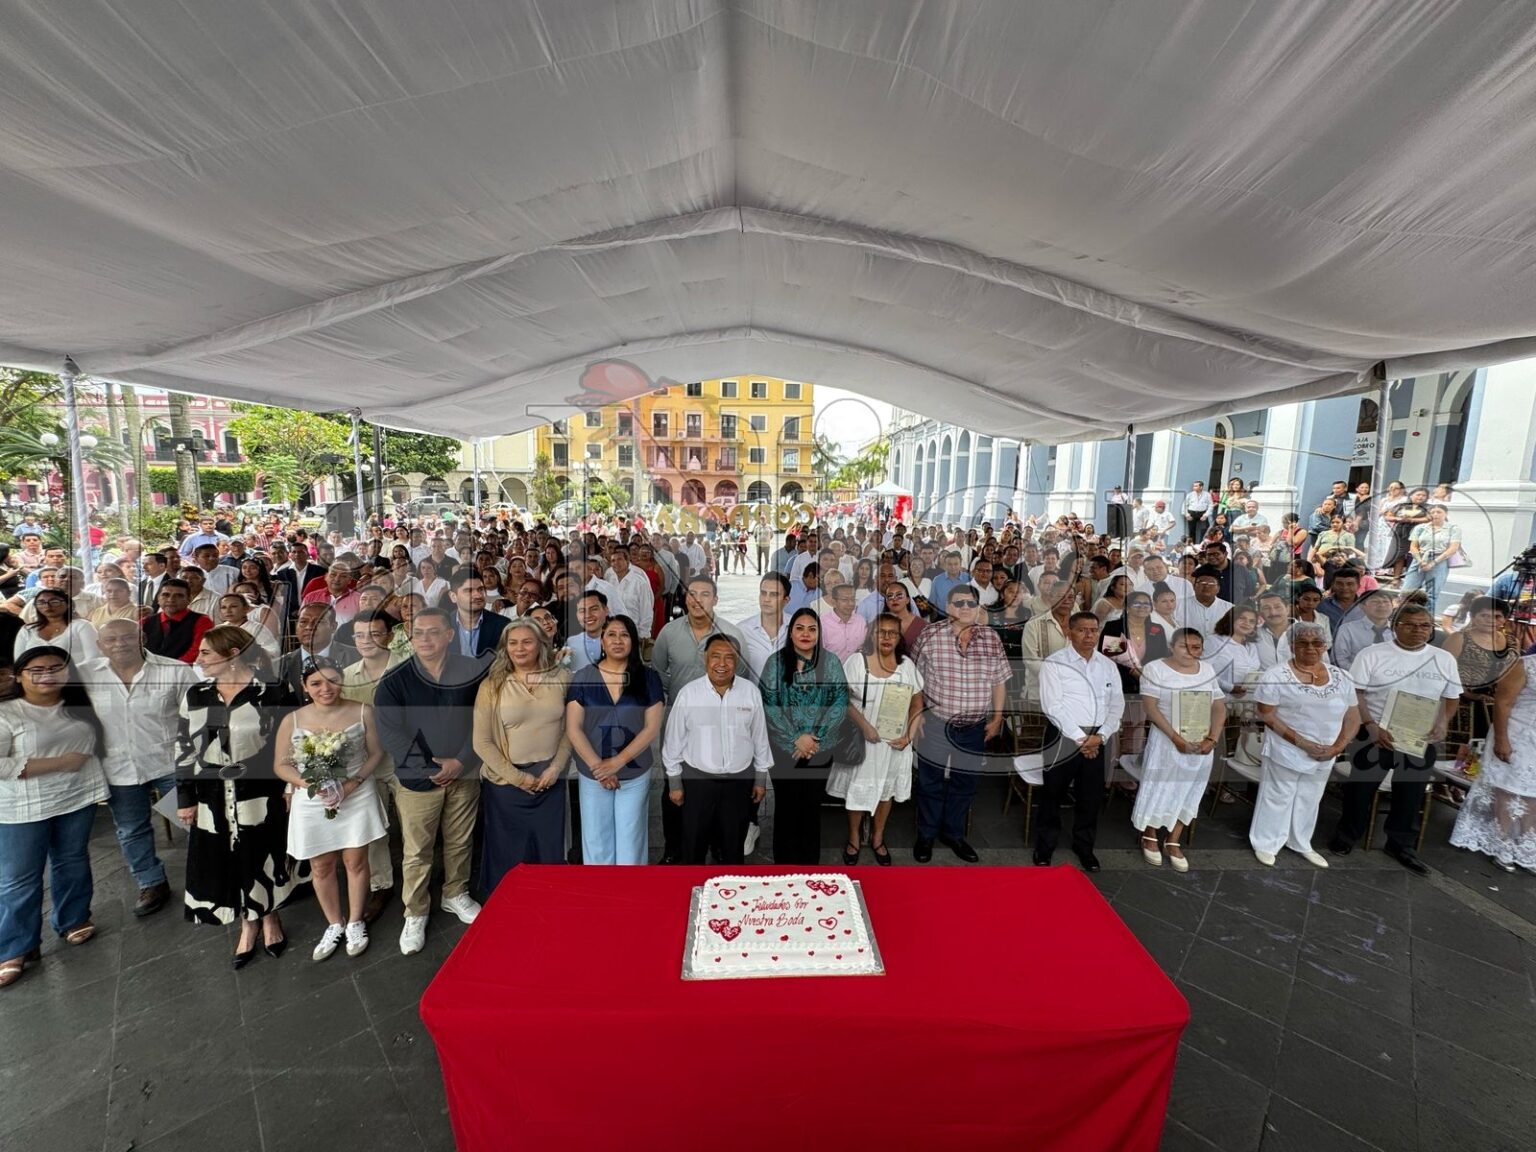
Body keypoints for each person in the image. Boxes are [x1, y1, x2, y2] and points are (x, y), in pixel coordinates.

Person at [175, 627, 297, 967]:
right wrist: (185, 797)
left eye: (206, 653)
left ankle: (269, 917)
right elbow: (184, 747)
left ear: (232, 655)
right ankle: (247, 923)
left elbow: (293, 741)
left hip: (261, 790)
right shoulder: (196, 694)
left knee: (262, 854)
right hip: (211, 794)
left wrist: (290, 787)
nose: (199, 659)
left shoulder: (273, 690)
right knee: (223, 857)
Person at [374, 606, 486, 955]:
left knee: (460, 841)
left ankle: (455, 893)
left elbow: (483, 719)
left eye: (434, 631)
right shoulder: (395, 680)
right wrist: (428, 768)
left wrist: (461, 761)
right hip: (417, 780)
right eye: (418, 633)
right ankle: (416, 911)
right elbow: (390, 732)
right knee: (417, 850)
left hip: (464, 773)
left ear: (449, 635)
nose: (425, 639)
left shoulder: (470, 671)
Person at [0, 647, 108, 988]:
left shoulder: (78, 706)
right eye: (37, 669)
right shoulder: (7, 713)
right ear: (19, 676)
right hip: (23, 808)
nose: (47, 675)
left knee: (71, 860)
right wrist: (60, 763)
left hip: (76, 798)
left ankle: (73, 918)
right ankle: (15, 946)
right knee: (19, 877)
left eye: (55, 668)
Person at [1328, 604, 1461, 874]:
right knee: (1360, 791)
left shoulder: (1443, 659)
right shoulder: (1372, 654)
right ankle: (1347, 835)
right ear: (1394, 626)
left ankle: (1401, 845)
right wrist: (1370, 725)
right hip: (1375, 734)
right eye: (1410, 624)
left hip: (1418, 737)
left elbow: (1451, 696)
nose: (1418, 630)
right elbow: (1356, 694)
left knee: (1410, 794)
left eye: (1425, 625)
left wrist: (1443, 722)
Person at [82, 620, 199, 917]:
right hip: (118, 767)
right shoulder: (85, 675)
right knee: (131, 830)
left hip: (170, 762)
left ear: (142, 638)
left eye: (127, 637)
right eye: (111, 639)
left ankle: (208, 876)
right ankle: (151, 883)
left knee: (195, 823)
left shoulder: (174, 671)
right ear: (99, 645)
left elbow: (199, 717)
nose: (119, 643)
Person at [273, 658, 386, 961]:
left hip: (356, 792)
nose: (326, 688)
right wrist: (308, 783)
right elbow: (281, 764)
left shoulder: (363, 711)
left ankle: (356, 921)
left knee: (355, 861)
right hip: (312, 799)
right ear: (304, 686)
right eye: (316, 683)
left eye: (333, 681)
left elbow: (376, 753)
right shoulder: (292, 720)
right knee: (321, 866)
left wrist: (351, 784)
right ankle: (334, 923)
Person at [650, 576, 745, 863]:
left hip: (719, 726)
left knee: (715, 787)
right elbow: (658, 671)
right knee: (674, 783)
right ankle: (673, 848)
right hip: (679, 722)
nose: (698, 599)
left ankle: (717, 845)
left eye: (705, 594)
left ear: (715, 599)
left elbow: (741, 677)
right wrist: (680, 697)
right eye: (692, 593)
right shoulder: (669, 633)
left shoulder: (730, 634)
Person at [472, 618, 572, 889]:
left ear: (541, 644)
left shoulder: (562, 678)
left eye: (527, 642)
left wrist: (556, 768)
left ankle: (547, 905)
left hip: (550, 780)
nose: (519, 648)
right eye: (513, 643)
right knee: (508, 855)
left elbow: (570, 730)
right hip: (506, 784)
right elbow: (482, 742)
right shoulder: (492, 685)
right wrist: (518, 778)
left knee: (548, 851)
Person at [1251, 622, 1358, 867]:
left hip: (1327, 751)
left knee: (1310, 798)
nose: (1310, 648)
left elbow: (1353, 717)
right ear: (1292, 646)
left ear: (1325, 646)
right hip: (1287, 749)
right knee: (1277, 796)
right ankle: (1266, 843)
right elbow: (1266, 715)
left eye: (1317, 643)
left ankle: (1300, 842)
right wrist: (1303, 743)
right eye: (1303, 643)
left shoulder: (1342, 676)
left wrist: (1338, 747)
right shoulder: (1276, 676)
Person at [663, 634, 773, 865]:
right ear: (705, 658)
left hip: (738, 782)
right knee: (693, 846)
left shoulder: (750, 692)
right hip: (697, 782)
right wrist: (674, 783)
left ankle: (729, 887)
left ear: (738, 660)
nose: (722, 664)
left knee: (733, 848)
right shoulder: (689, 694)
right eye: (715, 656)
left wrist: (760, 779)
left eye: (729, 657)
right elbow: (673, 742)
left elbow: (760, 738)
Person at [564, 615, 663, 865]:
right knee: (597, 842)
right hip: (593, 773)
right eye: (611, 635)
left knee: (631, 842)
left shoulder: (648, 678)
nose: (618, 640)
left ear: (633, 641)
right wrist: (600, 768)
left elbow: (651, 728)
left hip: (634, 772)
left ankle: (628, 890)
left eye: (624, 635)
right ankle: (601, 890)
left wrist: (616, 763)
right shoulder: (584, 677)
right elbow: (573, 728)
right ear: (602, 641)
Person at [829, 614, 924, 866]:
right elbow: (842, 698)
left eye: (893, 633)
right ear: (872, 634)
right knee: (857, 790)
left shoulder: (906, 666)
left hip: (895, 743)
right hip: (863, 742)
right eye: (881, 632)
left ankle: (878, 837)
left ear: (899, 637)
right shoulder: (857, 662)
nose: (887, 637)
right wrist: (865, 726)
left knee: (886, 792)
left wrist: (909, 736)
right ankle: (854, 838)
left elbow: (917, 703)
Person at [1036, 612, 1125, 871]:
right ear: (1070, 632)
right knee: (1053, 794)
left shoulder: (1107, 665)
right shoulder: (1055, 663)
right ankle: (1045, 846)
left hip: (1097, 737)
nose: (1089, 635)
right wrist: (1081, 739)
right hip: (1063, 737)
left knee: (1091, 796)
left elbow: (1116, 704)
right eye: (1082, 630)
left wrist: (1101, 736)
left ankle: (1084, 846)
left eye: (1093, 630)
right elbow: (1053, 706)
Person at [759, 608, 848, 865]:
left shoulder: (830, 662)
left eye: (812, 629)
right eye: (799, 628)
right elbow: (768, 704)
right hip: (784, 749)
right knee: (787, 806)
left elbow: (840, 700)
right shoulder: (775, 663)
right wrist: (795, 738)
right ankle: (784, 866)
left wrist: (814, 737)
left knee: (810, 806)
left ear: (819, 634)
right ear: (790, 633)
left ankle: (809, 865)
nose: (805, 634)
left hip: (820, 748)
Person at [1132, 630, 1225, 871]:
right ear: (1172, 646)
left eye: (1197, 647)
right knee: (1160, 786)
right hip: (1167, 740)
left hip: (1201, 741)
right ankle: (1150, 834)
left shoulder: (1207, 670)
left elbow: (1218, 706)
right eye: (1184, 646)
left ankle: (1174, 839)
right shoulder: (1155, 669)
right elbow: (1151, 708)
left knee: (1190, 788)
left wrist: (1213, 738)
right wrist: (1175, 738)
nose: (1190, 651)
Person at [342, 610, 405, 923]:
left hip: (405, 760)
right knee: (374, 829)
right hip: (367, 764)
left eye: (374, 634)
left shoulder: (410, 668)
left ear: (389, 637)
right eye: (359, 635)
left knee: (413, 827)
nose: (366, 641)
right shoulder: (346, 676)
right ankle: (382, 885)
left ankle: (417, 882)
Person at [1450, 655, 1536, 871]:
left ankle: (1526, 845)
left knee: (1533, 795)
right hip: (1516, 734)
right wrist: (1501, 739)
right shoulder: (1525, 664)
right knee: (1507, 789)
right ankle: (1502, 842)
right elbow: (1503, 702)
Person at [14, 587, 99, 664]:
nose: (47, 606)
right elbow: (19, 661)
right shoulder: (27, 630)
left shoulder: (82, 626)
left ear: (68, 604)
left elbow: (93, 658)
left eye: (54, 602)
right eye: (41, 602)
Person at [1401, 503, 1461, 611]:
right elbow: (1413, 546)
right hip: (1419, 559)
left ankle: (1427, 617)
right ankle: (1404, 614)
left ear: (1446, 514)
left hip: (1440, 560)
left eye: (1439, 512)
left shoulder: (1453, 529)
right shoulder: (1420, 528)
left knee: (1431, 595)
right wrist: (1420, 560)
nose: (1435, 514)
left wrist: (1434, 562)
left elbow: (1453, 548)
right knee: (1406, 591)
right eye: (1432, 512)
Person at [141, 579, 214, 663]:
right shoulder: (145, 622)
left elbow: (197, 651)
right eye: (166, 595)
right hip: (148, 668)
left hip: (185, 669)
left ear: (189, 599)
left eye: (179, 596)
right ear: (158, 598)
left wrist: (171, 667)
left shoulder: (202, 621)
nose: (171, 599)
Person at [447, 567, 510, 660]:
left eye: (481, 589)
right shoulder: (442, 626)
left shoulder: (503, 625)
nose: (478, 595)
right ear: (453, 596)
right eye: (469, 591)